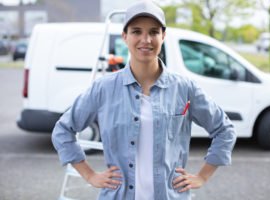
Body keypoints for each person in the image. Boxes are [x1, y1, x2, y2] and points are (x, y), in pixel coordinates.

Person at [52, 1, 236, 199]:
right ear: (125, 36)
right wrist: (89, 175)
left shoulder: (184, 88)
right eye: (137, 31)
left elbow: (224, 130)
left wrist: (202, 176)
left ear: (163, 36)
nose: (145, 39)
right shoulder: (104, 88)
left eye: (154, 32)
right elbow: (63, 130)